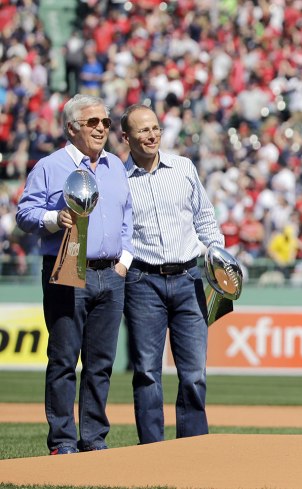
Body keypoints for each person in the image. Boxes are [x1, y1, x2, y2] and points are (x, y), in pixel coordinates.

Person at [16, 94, 134, 455]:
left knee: (101, 362)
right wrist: (54, 219)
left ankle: (94, 437)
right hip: (66, 266)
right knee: (65, 358)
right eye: (93, 122)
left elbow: (128, 217)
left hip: (110, 273)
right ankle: (63, 440)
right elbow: (24, 214)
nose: (102, 128)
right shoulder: (50, 166)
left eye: (105, 122)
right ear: (72, 128)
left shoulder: (115, 165)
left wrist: (124, 262)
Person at [120, 104, 224, 444]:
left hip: (189, 278)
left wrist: (218, 257)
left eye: (155, 128)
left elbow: (205, 218)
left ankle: (192, 447)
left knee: (194, 373)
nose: (152, 135)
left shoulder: (183, 167)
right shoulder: (118, 179)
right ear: (127, 138)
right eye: (143, 131)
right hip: (142, 281)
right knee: (147, 372)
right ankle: (151, 449)